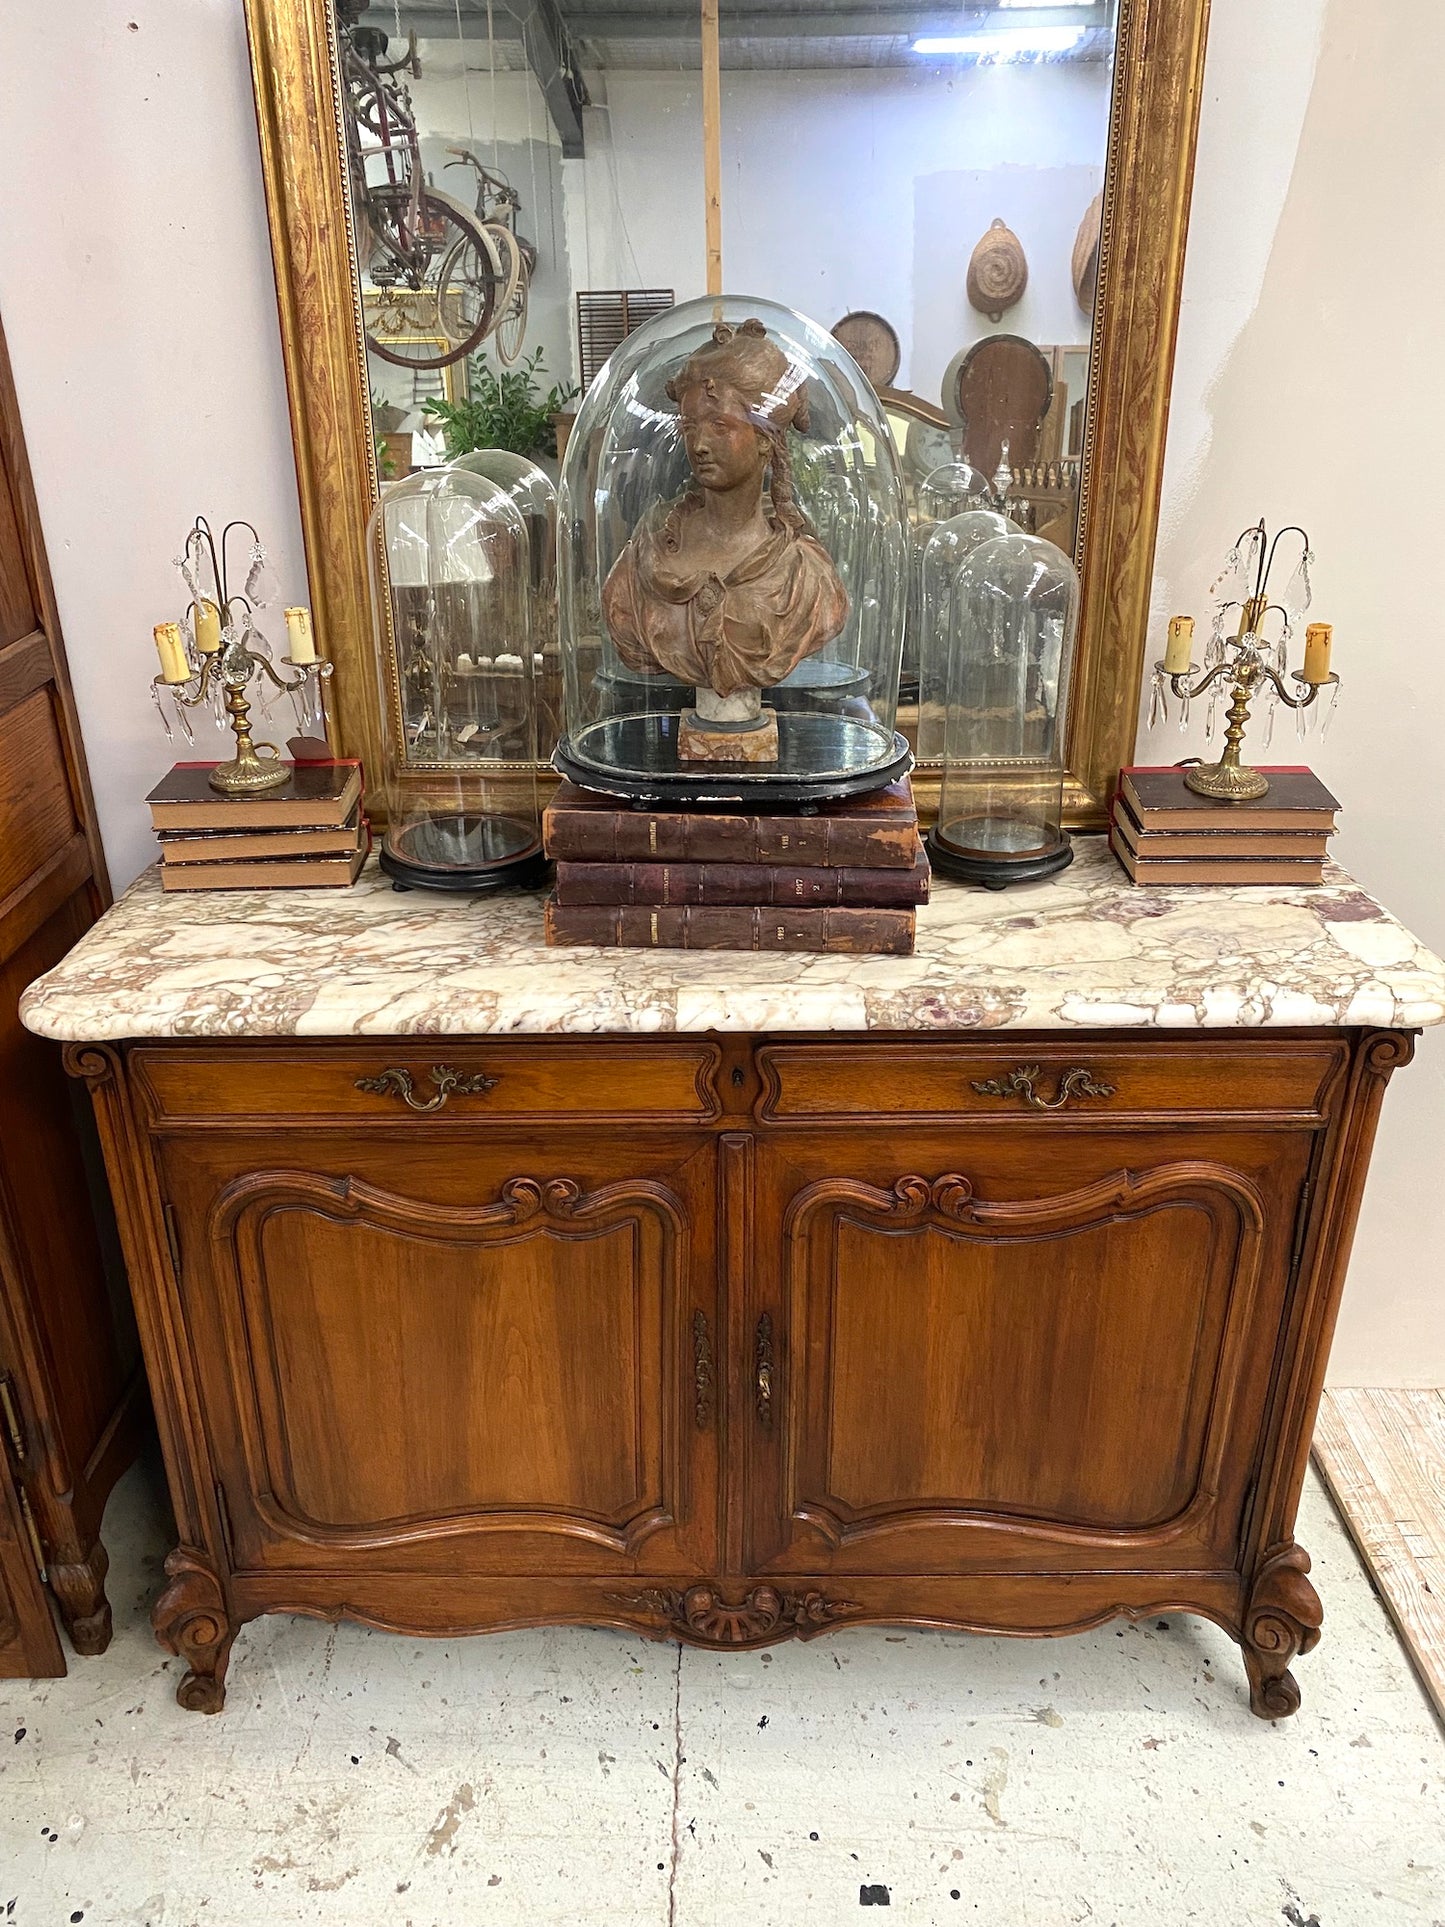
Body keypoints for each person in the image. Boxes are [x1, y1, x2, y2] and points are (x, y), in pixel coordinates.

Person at [601, 320, 849, 706]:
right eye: (689, 427)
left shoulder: (805, 576)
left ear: (766, 441)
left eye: (720, 426)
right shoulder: (644, 559)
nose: (699, 444)